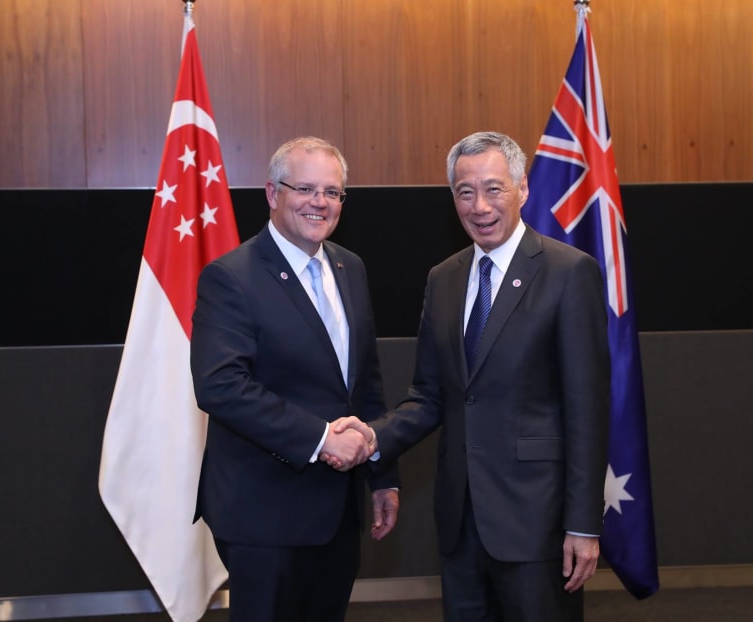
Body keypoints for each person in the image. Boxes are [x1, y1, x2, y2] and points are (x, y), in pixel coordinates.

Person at [329, 131, 610, 621]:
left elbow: (588, 410)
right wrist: (374, 436)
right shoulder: (445, 278)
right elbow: (429, 395)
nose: (480, 206)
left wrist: (583, 524)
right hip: (461, 522)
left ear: (523, 189)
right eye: (465, 192)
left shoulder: (569, 273)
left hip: (536, 522)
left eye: (494, 188)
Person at [190, 136, 400, 622]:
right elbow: (220, 386)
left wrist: (381, 474)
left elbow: (364, 381)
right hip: (263, 512)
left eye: (332, 192)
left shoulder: (351, 268)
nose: (319, 202)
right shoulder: (231, 276)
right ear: (271, 193)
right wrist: (322, 437)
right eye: (304, 188)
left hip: (337, 511)